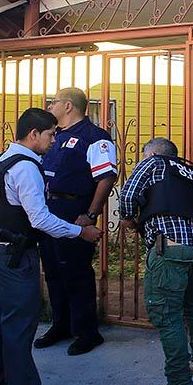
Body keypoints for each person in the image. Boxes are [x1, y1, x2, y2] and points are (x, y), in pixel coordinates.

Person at [0, 108, 101, 385]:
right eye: (50, 134)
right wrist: (80, 232)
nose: (53, 140)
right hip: (16, 256)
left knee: (2, 323)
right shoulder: (26, 168)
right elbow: (39, 218)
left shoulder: (2, 161)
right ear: (34, 134)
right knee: (19, 328)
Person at [119, 137, 193, 385]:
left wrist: (128, 219)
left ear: (152, 154)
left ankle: (179, 384)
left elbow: (127, 195)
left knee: (167, 314)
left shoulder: (153, 164)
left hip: (170, 250)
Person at [35, 88, 117, 356]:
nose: (50, 107)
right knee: (53, 271)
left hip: (74, 210)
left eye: (54, 102)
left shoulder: (94, 137)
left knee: (76, 273)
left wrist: (90, 215)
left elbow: (106, 177)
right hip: (49, 210)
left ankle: (87, 332)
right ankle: (61, 325)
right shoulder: (55, 135)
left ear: (68, 106)